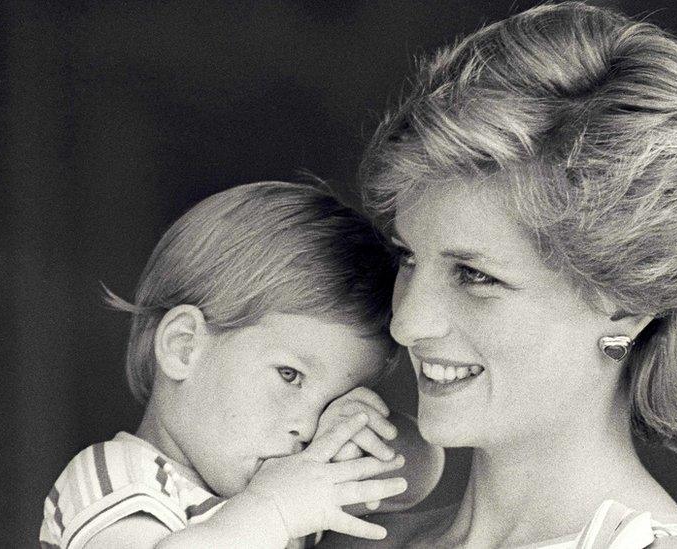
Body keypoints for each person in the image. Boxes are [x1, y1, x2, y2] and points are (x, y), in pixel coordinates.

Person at [332, 2, 677, 547]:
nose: (406, 322)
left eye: (474, 275)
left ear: (626, 300)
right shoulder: (351, 532)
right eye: (408, 258)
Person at [39, 181, 444, 548]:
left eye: (330, 401)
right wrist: (274, 511)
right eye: (290, 375)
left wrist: (350, 433)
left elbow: (415, 474)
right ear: (184, 346)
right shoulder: (115, 478)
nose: (306, 427)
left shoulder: (274, 486)